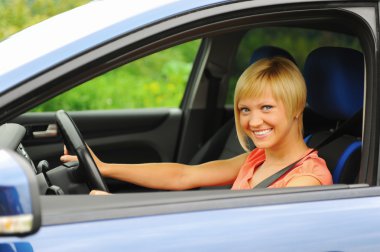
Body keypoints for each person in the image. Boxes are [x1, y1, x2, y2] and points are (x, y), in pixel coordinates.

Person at [60, 57, 333, 194]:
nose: (253, 121)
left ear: (297, 107)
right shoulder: (257, 159)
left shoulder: (306, 180)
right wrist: (106, 168)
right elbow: (184, 176)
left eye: (267, 108)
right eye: (244, 110)